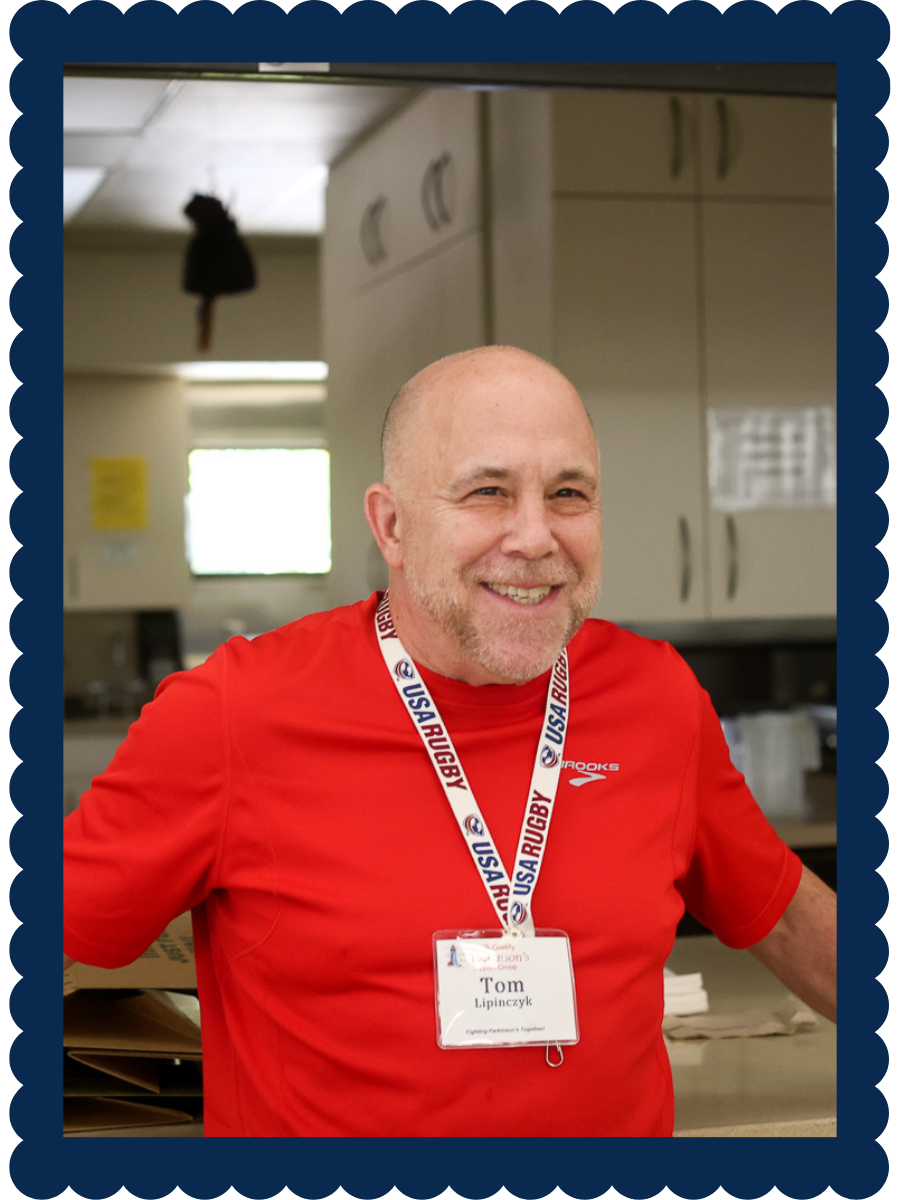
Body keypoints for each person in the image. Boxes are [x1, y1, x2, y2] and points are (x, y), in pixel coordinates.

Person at [64, 345, 836, 1138]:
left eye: (568, 493)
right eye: (489, 492)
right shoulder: (233, 710)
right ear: (391, 525)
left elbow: (783, 918)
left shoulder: (658, 696)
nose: (535, 537)